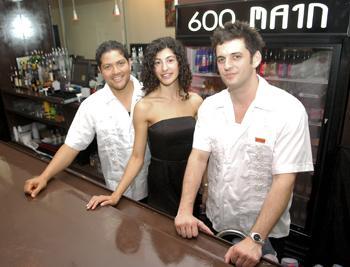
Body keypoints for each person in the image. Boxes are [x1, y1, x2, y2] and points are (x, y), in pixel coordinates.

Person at [175, 21, 314, 267]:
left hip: (265, 234)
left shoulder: (288, 110)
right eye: (221, 59)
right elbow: (198, 158)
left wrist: (256, 239)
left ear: (255, 58)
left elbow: (285, 179)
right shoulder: (210, 107)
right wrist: (185, 210)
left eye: (236, 56)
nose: (227, 66)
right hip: (216, 222)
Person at [86, 37, 203, 217]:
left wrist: (207, 186)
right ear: (151, 68)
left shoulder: (196, 101)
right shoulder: (144, 106)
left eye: (170, 60)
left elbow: (204, 152)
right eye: (158, 62)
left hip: (191, 179)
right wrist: (116, 194)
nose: (165, 68)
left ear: (180, 62)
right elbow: (137, 157)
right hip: (161, 184)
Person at [24, 40, 150, 201]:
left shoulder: (149, 94)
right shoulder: (92, 105)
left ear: (130, 63)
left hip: (154, 186)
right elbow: (71, 146)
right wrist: (44, 177)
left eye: (120, 63)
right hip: (117, 192)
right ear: (100, 70)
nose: (116, 71)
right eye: (107, 66)